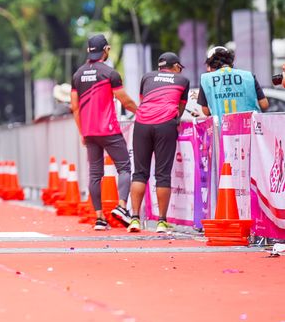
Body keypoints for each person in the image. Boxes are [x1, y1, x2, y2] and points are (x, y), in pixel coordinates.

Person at [70, 34, 138, 230]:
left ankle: (99, 218)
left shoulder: (77, 75)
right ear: (106, 50)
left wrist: (82, 132)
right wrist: (142, 112)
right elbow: (125, 101)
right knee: (124, 167)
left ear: (88, 51)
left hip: (89, 132)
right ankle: (122, 207)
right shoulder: (110, 73)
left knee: (95, 174)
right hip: (109, 130)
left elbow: (74, 107)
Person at [128, 52, 190, 233]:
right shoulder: (183, 80)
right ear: (176, 66)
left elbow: (143, 100)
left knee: (139, 173)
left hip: (142, 123)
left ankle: (134, 219)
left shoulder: (147, 77)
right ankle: (162, 222)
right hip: (165, 124)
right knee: (162, 174)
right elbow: (180, 108)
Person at [198, 46, 268, 117]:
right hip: (248, 123)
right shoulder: (248, 76)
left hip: (221, 124)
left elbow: (206, 111)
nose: (208, 70)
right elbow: (264, 104)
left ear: (212, 64)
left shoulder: (206, 79)